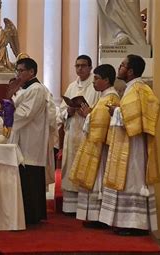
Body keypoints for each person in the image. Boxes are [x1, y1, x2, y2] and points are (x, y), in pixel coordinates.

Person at [99, 54, 160, 236]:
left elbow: (150, 108)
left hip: (134, 146)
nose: (120, 67)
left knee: (133, 180)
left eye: (123, 65)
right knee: (126, 180)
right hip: (125, 142)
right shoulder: (131, 89)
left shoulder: (139, 89)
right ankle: (126, 222)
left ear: (131, 70)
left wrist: (116, 111)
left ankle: (136, 224)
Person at [68, 64, 120, 228]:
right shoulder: (104, 97)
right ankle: (96, 216)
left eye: (97, 79)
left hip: (101, 150)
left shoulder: (110, 98)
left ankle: (99, 218)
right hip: (96, 147)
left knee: (98, 181)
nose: (94, 82)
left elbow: (102, 123)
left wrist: (88, 115)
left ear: (106, 80)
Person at [8, 57, 51, 224]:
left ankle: (32, 215)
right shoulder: (27, 88)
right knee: (26, 177)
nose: (18, 74)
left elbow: (25, 113)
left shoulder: (37, 89)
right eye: (17, 71)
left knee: (30, 176)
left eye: (21, 71)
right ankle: (29, 213)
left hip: (30, 140)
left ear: (31, 72)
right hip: (24, 137)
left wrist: (8, 110)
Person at [59, 55, 101, 215]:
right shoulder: (71, 86)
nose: (79, 69)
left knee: (85, 166)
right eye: (77, 66)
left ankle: (84, 207)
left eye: (83, 66)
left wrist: (88, 113)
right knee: (71, 166)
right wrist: (68, 111)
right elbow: (61, 111)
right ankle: (69, 208)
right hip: (72, 132)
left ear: (90, 67)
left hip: (86, 132)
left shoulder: (95, 86)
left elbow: (99, 110)